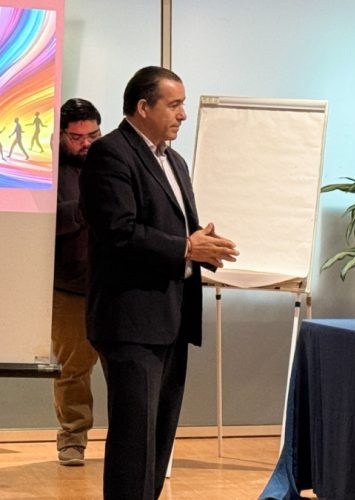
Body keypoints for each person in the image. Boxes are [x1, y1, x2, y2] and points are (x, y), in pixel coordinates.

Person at [80, 66, 239, 499]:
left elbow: (174, 230)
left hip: (172, 317)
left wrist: (202, 244)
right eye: (174, 104)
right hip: (130, 320)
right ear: (143, 107)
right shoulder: (110, 153)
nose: (183, 114)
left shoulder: (174, 161)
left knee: (158, 437)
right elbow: (119, 232)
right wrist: (186, 247)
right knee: (134, 440)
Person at [52, 98, 102, 466]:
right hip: (68, 286)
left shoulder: (115, 163)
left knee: (129, 368)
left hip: (116, 284)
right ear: (60, 135)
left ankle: (132, 442)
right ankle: (72, 439)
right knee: (72, 369)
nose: (86, 144)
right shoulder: (45, 172)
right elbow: (43, 222)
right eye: (76, 137)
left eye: (93, 135)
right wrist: (86, 208)